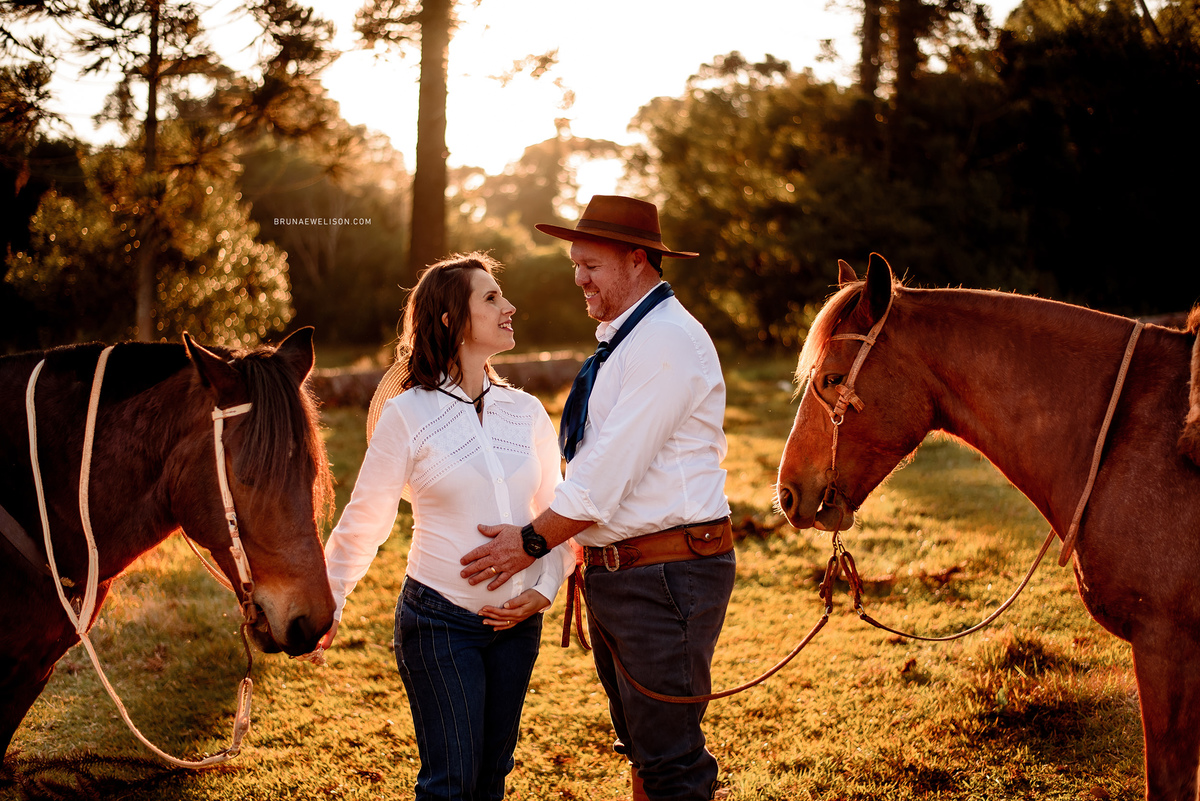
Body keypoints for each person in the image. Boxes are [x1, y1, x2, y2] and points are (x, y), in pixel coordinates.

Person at [459, 196, 735, 801]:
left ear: (638, 260)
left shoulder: (665, 341)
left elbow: (604, 477)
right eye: (575, 264)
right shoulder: (626, 340)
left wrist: (530, 543)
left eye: (591, 265)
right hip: (625, 572)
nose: (578, 277)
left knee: (670, 760)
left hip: (666, 576)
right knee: (642, 747)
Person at [319, 252, 572, 801]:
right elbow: (366, 518)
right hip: (438, 622)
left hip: (518, 625)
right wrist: (330, 602)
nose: (509, 307)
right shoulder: (406, 414)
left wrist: (545, 592)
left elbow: (556, 514)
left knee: (490, 779)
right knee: (450, 783)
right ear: (450, 320)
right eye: (491, 298)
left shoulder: (526, 411)